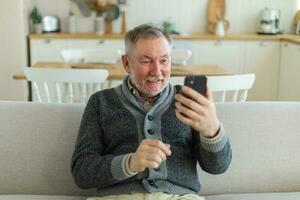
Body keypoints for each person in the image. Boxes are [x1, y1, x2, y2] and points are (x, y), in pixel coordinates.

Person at [71, 24, 232, 200]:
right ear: (126, 63)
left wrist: (212, 131)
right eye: (146, 61)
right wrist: (130, 163)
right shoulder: (101, 102)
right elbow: (81, 172)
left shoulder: (188, 100)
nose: (157, 72)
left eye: (164, 60)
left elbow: (218, 167)